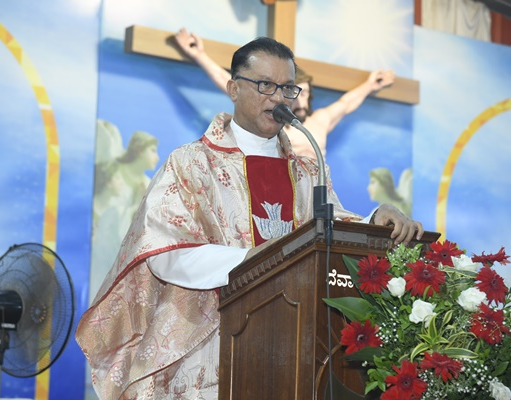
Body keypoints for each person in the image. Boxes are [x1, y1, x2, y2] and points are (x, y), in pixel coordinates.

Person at [76, 36, 423, 400]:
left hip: (295, 346)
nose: (278, 98)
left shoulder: (307, 169)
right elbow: (166, 251)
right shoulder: (192, 163)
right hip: (209, 342)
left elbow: (330, 227)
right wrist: (258, 259)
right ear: (233, 88)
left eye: (287, 88)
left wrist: (376, 216)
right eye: (265, 85)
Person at [174, 27, 396, 160]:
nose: (297, 97)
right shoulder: (272, 124)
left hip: (316, 193)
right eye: (292, 91)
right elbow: (230, 82)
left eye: (302, 91)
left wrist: (370, 85)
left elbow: (347, 103)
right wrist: (199, 56)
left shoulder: (320, 120)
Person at [90, 121, 159, 301]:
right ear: (139, 150)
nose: (157, 157)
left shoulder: (147, 185)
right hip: (99, 252)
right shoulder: (113, 171)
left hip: (123, 260)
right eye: (152, 150)